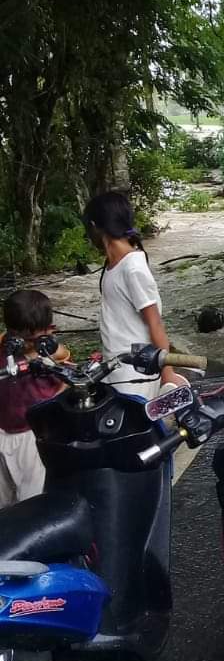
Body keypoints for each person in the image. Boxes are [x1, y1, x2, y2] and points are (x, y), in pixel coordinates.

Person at [83, 190, 177, 401]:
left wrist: (168, 374)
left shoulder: (132, 267)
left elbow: (155, 323)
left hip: (136, 374)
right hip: (116, 367)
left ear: (94, 227)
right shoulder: (112, 266)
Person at [0, 290, 70, 505]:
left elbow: (66, 378)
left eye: (34, 338)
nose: (28, 344)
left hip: (33, 436)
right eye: (21, 339)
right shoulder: (3, 348)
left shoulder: (50, 353)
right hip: (3, 431)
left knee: (31, 499)